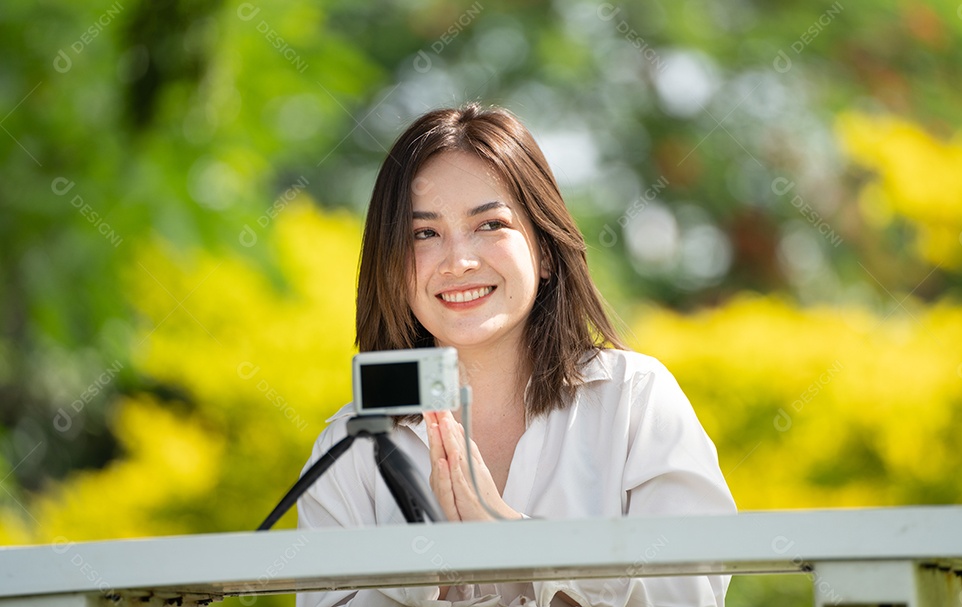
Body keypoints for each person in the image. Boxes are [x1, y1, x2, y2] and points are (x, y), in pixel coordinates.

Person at [297, 104, 737, 607]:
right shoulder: (351, 445)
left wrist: (508, 539)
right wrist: (431, 572)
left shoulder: (635, 402)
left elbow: (688, 596)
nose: (459, 261)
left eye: (489, 224)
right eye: (424, 234)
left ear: (545, 250)